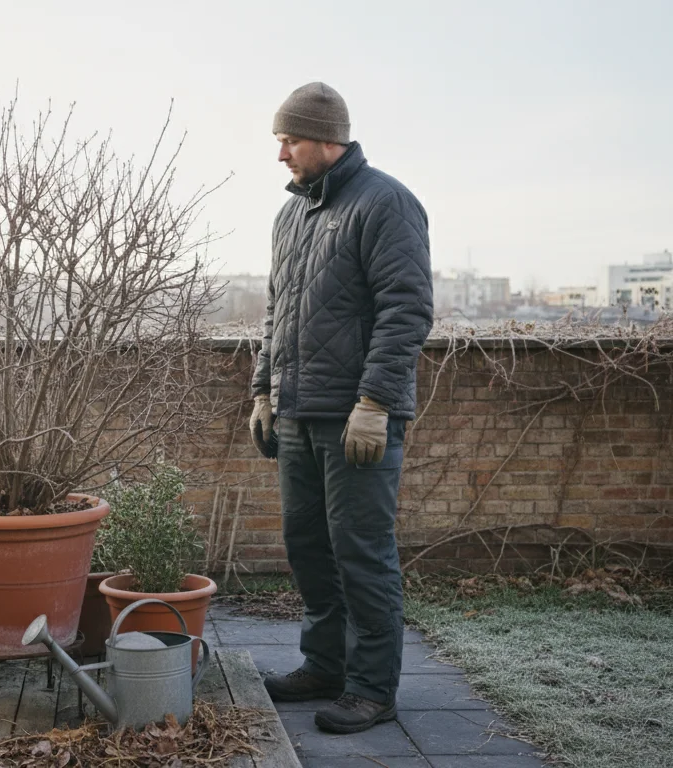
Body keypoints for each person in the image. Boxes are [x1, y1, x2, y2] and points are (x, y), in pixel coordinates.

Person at [248, 81, 433, 734]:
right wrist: (264, 389)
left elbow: (405, 309)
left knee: (361, 551)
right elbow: (279, 310)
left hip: (356, 418)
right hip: (298, 413)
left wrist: (376, 402)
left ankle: (372, 688)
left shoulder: (386, 203)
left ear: (328, 139)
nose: (280, 155)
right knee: (309, 548)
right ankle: (324, 666)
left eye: (288, 140)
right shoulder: (290, 216)